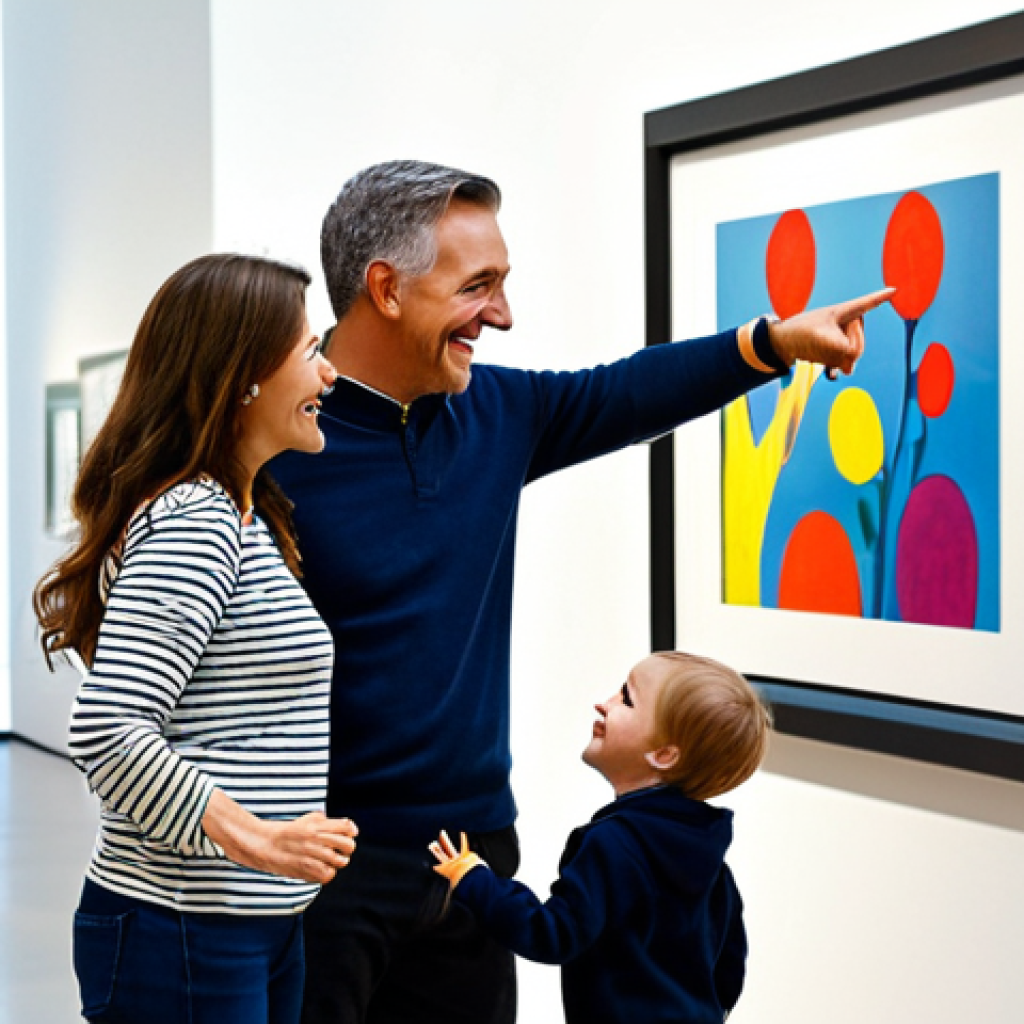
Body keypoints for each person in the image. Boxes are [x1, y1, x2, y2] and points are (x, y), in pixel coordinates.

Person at [269, 159, 892, 1024]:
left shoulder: (498, 415)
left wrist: (775, 344)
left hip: (470, 856)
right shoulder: (273, 436)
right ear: (385, 288)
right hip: (324, 858)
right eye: (477, 286)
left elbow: (626, 390)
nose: (502, 314)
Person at [33, 254, 360, 1024]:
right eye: (311, 352)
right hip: (183, 929)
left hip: (247, 924)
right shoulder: (196, 521)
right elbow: (108, 730)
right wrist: (257, 841)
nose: (328, 376)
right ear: (243, 377)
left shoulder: (248, 516)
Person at [430, 651, 768, 1024]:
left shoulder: (613, 845)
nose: (603, 704)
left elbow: (552, 933)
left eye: (625, 698)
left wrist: (475, 878)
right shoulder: (711, 863)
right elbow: (729, 967)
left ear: (664, 754)